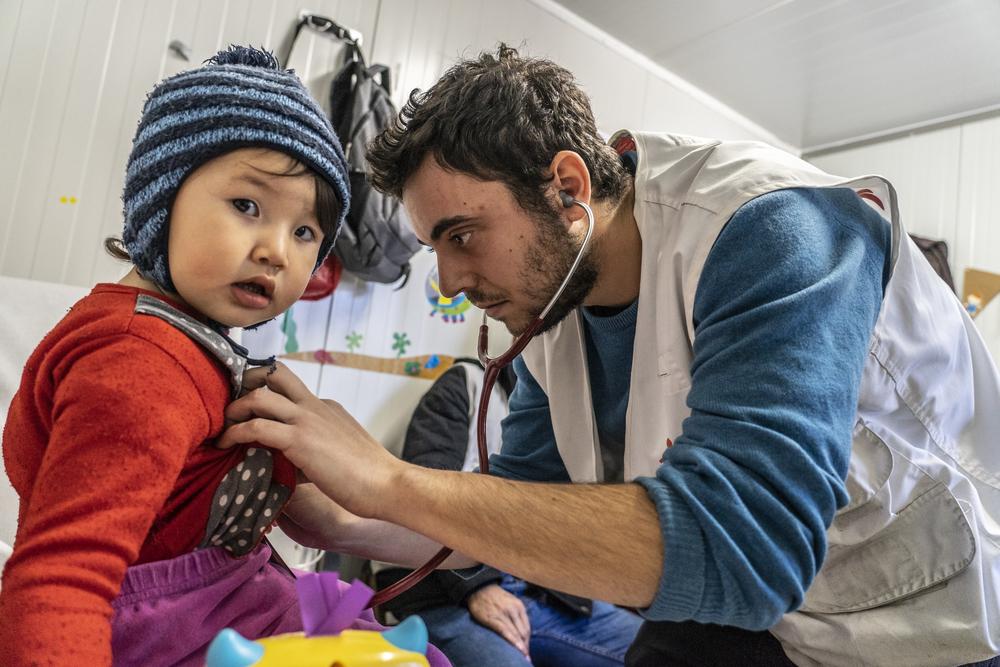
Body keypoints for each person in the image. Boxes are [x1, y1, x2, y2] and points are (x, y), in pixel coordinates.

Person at [220, 45, 1000, 666]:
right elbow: (511, 513)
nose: (452, 280)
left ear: (566, 186)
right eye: (434, 249)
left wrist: (387, 476)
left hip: (929, 624)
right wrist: (345, 519)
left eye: (462, 235)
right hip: (770, 618)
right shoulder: (556, 303)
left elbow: (746, 546)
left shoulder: (775, 229)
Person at [0, 45, 367, 667]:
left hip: (224, 609)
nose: (277, 250)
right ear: (161, 202)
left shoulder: (186, 342)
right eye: (247, 206)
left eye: (305, 232)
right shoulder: (143, 360)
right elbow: (62, 578)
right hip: (170, 633)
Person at [375, 359, 641, 666]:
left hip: (534, 589)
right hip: (442, 592)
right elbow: (422, 501)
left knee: (655, 651)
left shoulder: (562, 410)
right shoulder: (467, 385)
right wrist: (478, 587)